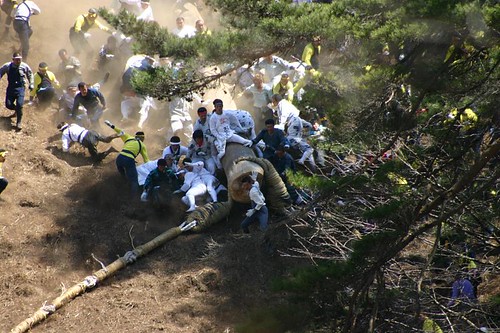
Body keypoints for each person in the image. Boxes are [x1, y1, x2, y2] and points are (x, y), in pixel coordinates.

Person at [105, 120, 150, 196]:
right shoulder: (142, 145)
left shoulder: (129, 137)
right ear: (143, 138)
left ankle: (123, 187)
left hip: (119, 159)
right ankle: (133, 199)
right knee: (134, 180)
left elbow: (120, 131)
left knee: (124, 177)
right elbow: (146, 161)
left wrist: (111, 125)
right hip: (128, 160)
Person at [209, 99, 253, 167]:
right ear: (215, 107)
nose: (219, 108)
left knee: (245, 141)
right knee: (222, 153)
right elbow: (213, 130)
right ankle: (218, 164)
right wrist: (219, 136)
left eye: (221, 106)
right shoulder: (213, 118)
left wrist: (240, 128)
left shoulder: (227, 114)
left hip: (230, 134)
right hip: (221, 137)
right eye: (218, 106)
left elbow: (234, 120)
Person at [0, 52, 33, 131]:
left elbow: (30, 74)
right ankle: (17, 110)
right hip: (11, 88)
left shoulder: (24, 66)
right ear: (13, 59)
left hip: (20, 88)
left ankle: (19, 122)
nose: (18, 61)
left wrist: (31, 84)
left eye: (20, 59)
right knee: (8, 105)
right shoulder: (7, 66)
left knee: (19, 104)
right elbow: (0, 72)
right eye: (17, 60)